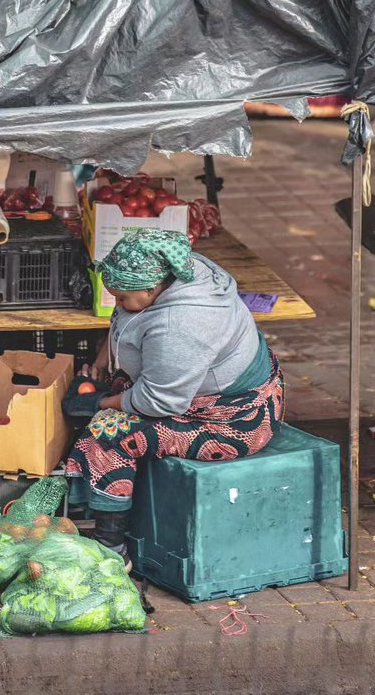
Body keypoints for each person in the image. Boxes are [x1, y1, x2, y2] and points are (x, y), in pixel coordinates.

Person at [65, 229, 284, 558]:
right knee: (110, 393)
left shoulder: (180, 326)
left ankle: (110, 550)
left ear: (152, 289)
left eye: (122, 297)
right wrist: (103, 362)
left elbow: (159, 402)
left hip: (234, 419)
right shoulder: (177, 269)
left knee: (107, 432)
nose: (118, 304)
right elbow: (126, 317)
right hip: (201, 387)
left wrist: (101, 402)